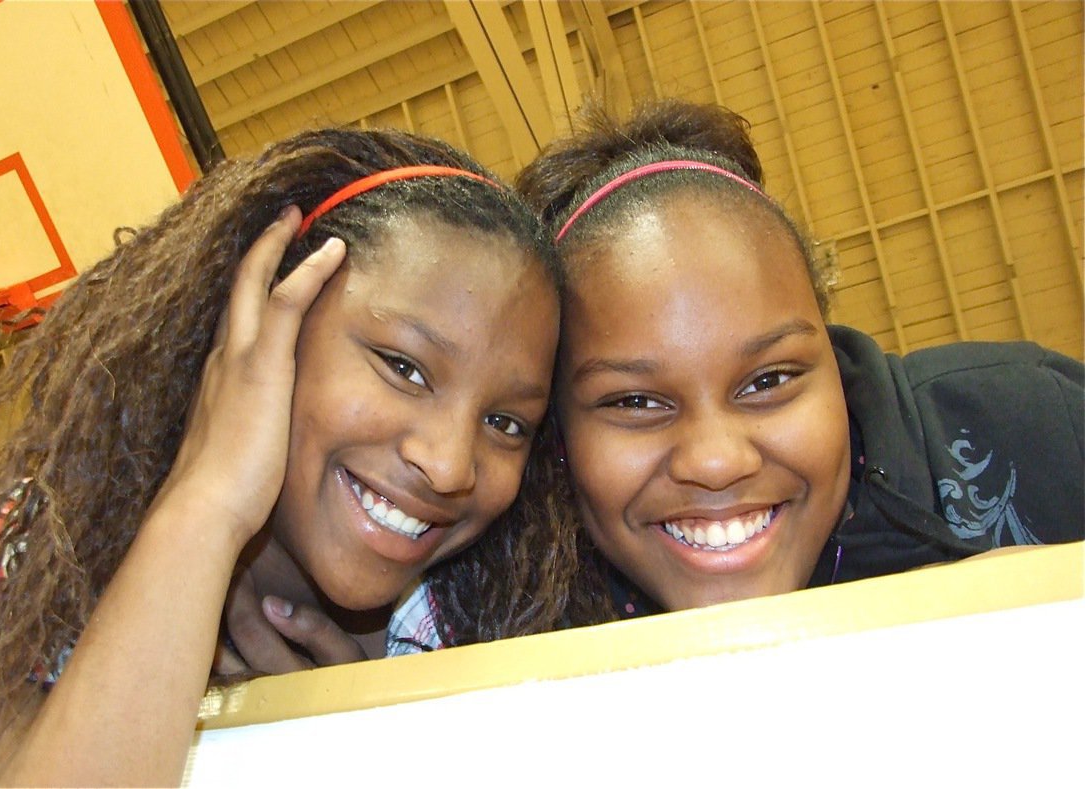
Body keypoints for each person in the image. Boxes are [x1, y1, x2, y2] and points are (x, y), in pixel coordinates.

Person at [0, 128, 567, 786]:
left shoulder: (479, 625)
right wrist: (207, 504)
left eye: (506, 422)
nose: (451, 464)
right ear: (260, 327)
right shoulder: (17, 559)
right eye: (403, 367)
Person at [388, 97, 1084, 649]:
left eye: (769, 381)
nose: (717, 461)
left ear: (832, 357)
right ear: (557, 437)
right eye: (634, 399)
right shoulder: (495, 600)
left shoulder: (1032, 421)